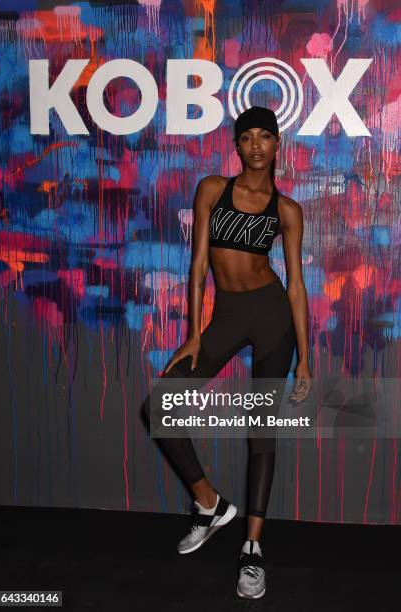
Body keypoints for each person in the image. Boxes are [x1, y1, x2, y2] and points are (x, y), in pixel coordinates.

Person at [142, 105, 312, 599]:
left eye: (266, 136)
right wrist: (195, 334)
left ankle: (252, 552)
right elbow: (198, 266)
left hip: (273, 316)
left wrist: (306, 357)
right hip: (228, 315)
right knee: (160, 406)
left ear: (278, 144)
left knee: (261, 431)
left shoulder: (288, 211)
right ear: (236, 146)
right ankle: (211, 504)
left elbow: (297, 287)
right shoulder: (212, 189)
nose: (256, 145)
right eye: (247, 137)